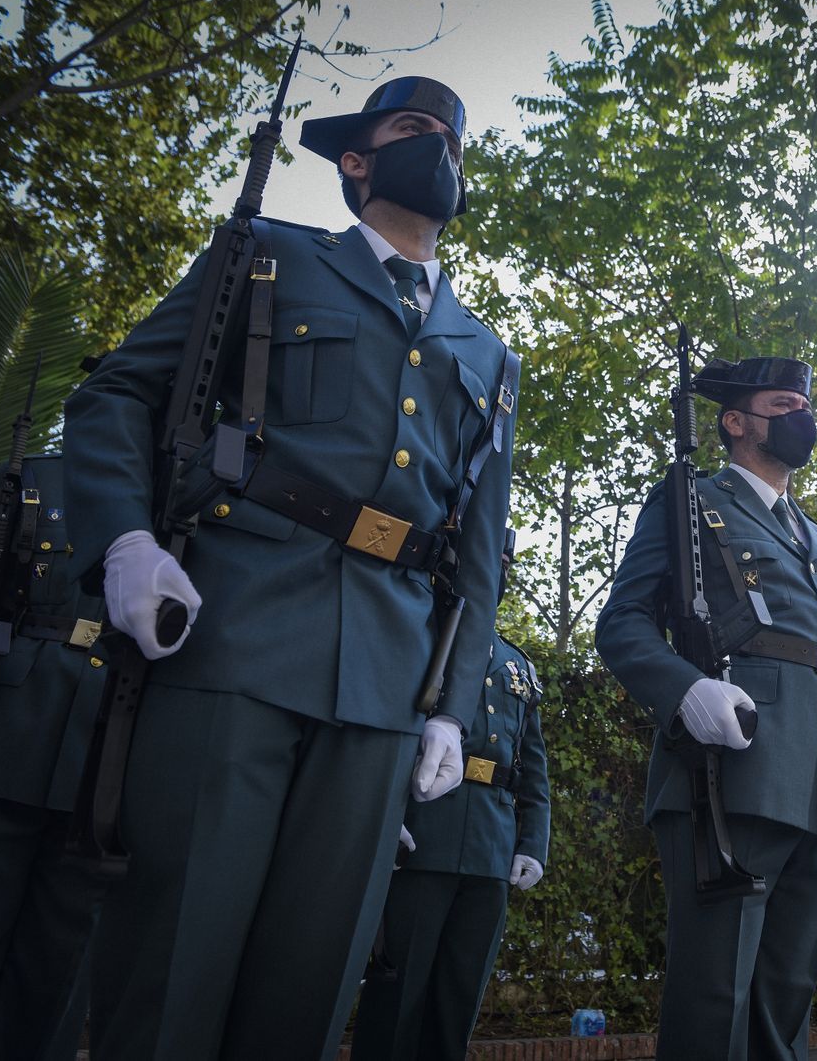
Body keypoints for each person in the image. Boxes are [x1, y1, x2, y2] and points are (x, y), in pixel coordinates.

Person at [63, 76, 519, 1058]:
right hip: (234, 635)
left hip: (386, 688)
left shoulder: (486, 352)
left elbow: (482, 550)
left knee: (308, 989)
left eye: (452, 136)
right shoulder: (268, 258)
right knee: (175, 963)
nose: (437, 144)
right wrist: (125, 542)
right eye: (412, 129)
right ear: (355, 160)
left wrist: (452, 705)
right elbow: (116, 397)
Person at [594, 355, 817, 1060]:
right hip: (735, 771)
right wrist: (685, 689)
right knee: (715, 999)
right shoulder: (692, 499)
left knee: (786, 1002)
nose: (803, 417)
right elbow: (622, 622)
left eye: (805, 405)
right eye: (784, 405)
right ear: (737, 421)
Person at [351, 532, 551, 1060]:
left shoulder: (518, 665)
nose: (498, 573)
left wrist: (533, 842)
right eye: (489, 562)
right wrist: (382, 811)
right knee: (396, 997)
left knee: (458, 1001)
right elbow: (384, 736)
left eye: (504, 564)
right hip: (421, 842)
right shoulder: (417, 639)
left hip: (491, 851)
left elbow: (532, 769)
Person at [0, 455, 109, 1060]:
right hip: (11, 730)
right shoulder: (36, 479)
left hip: (108, 751)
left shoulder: (196, 497)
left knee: (58, 965)